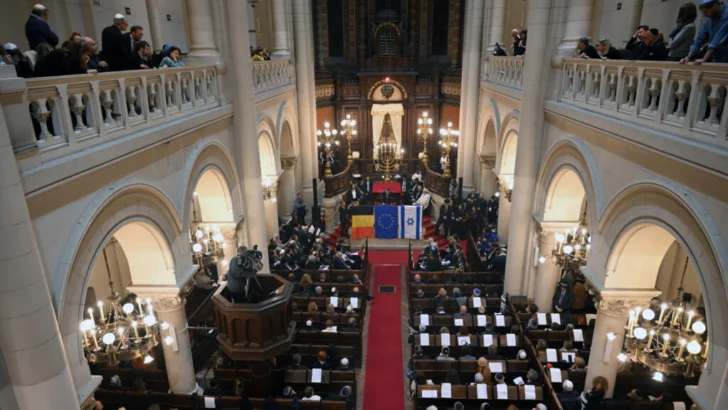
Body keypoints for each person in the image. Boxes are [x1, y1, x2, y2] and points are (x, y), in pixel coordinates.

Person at [682, 0, 728, 64]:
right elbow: (701, 37)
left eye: (706, 12)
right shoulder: (710, 18)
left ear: (715, 6)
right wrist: (688, 57)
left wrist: (704, 58)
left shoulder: (726, 13)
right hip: (717, 54)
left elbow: (719, 37)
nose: (704, 15)